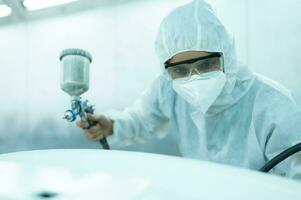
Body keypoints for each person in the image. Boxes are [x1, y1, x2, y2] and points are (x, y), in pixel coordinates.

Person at [77, 0, 301, 179]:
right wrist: (113, 125)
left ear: (227, 56)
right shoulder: (168, 89)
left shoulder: (273, 105)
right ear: (167, 69)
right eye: (181, 69)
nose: (194, 78)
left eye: (205, 65)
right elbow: (142, 120)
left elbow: (293, 183)